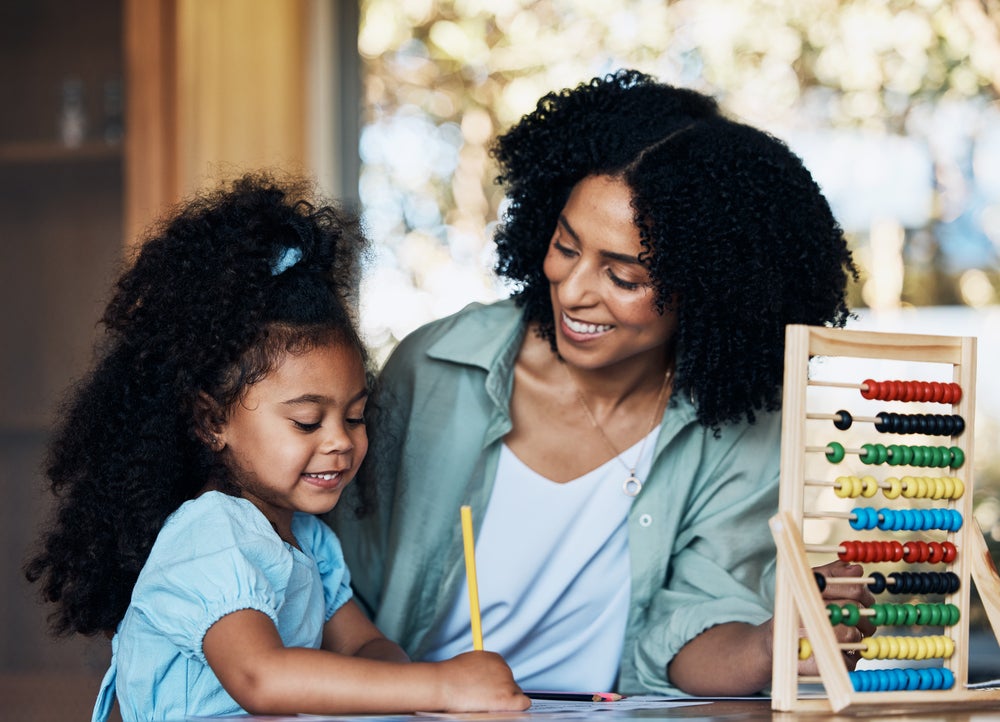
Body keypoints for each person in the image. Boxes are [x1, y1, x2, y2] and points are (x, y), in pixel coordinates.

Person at [331, 69, 873, 697]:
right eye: (566, 246)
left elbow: (690, 633)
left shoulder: (740, 431)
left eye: (624, 277)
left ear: (707, 291)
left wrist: (771, 644)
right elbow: (332, 581)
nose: (574, 290)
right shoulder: (436, 368)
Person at [23, 173, 529, 721]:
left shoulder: (310, 543)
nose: (341, 441)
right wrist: (439, 687)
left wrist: (407, 679)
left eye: (355, 416)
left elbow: (363, 647)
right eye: (307, 422)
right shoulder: (210, 536)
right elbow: (261, 678)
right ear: (213, 421)